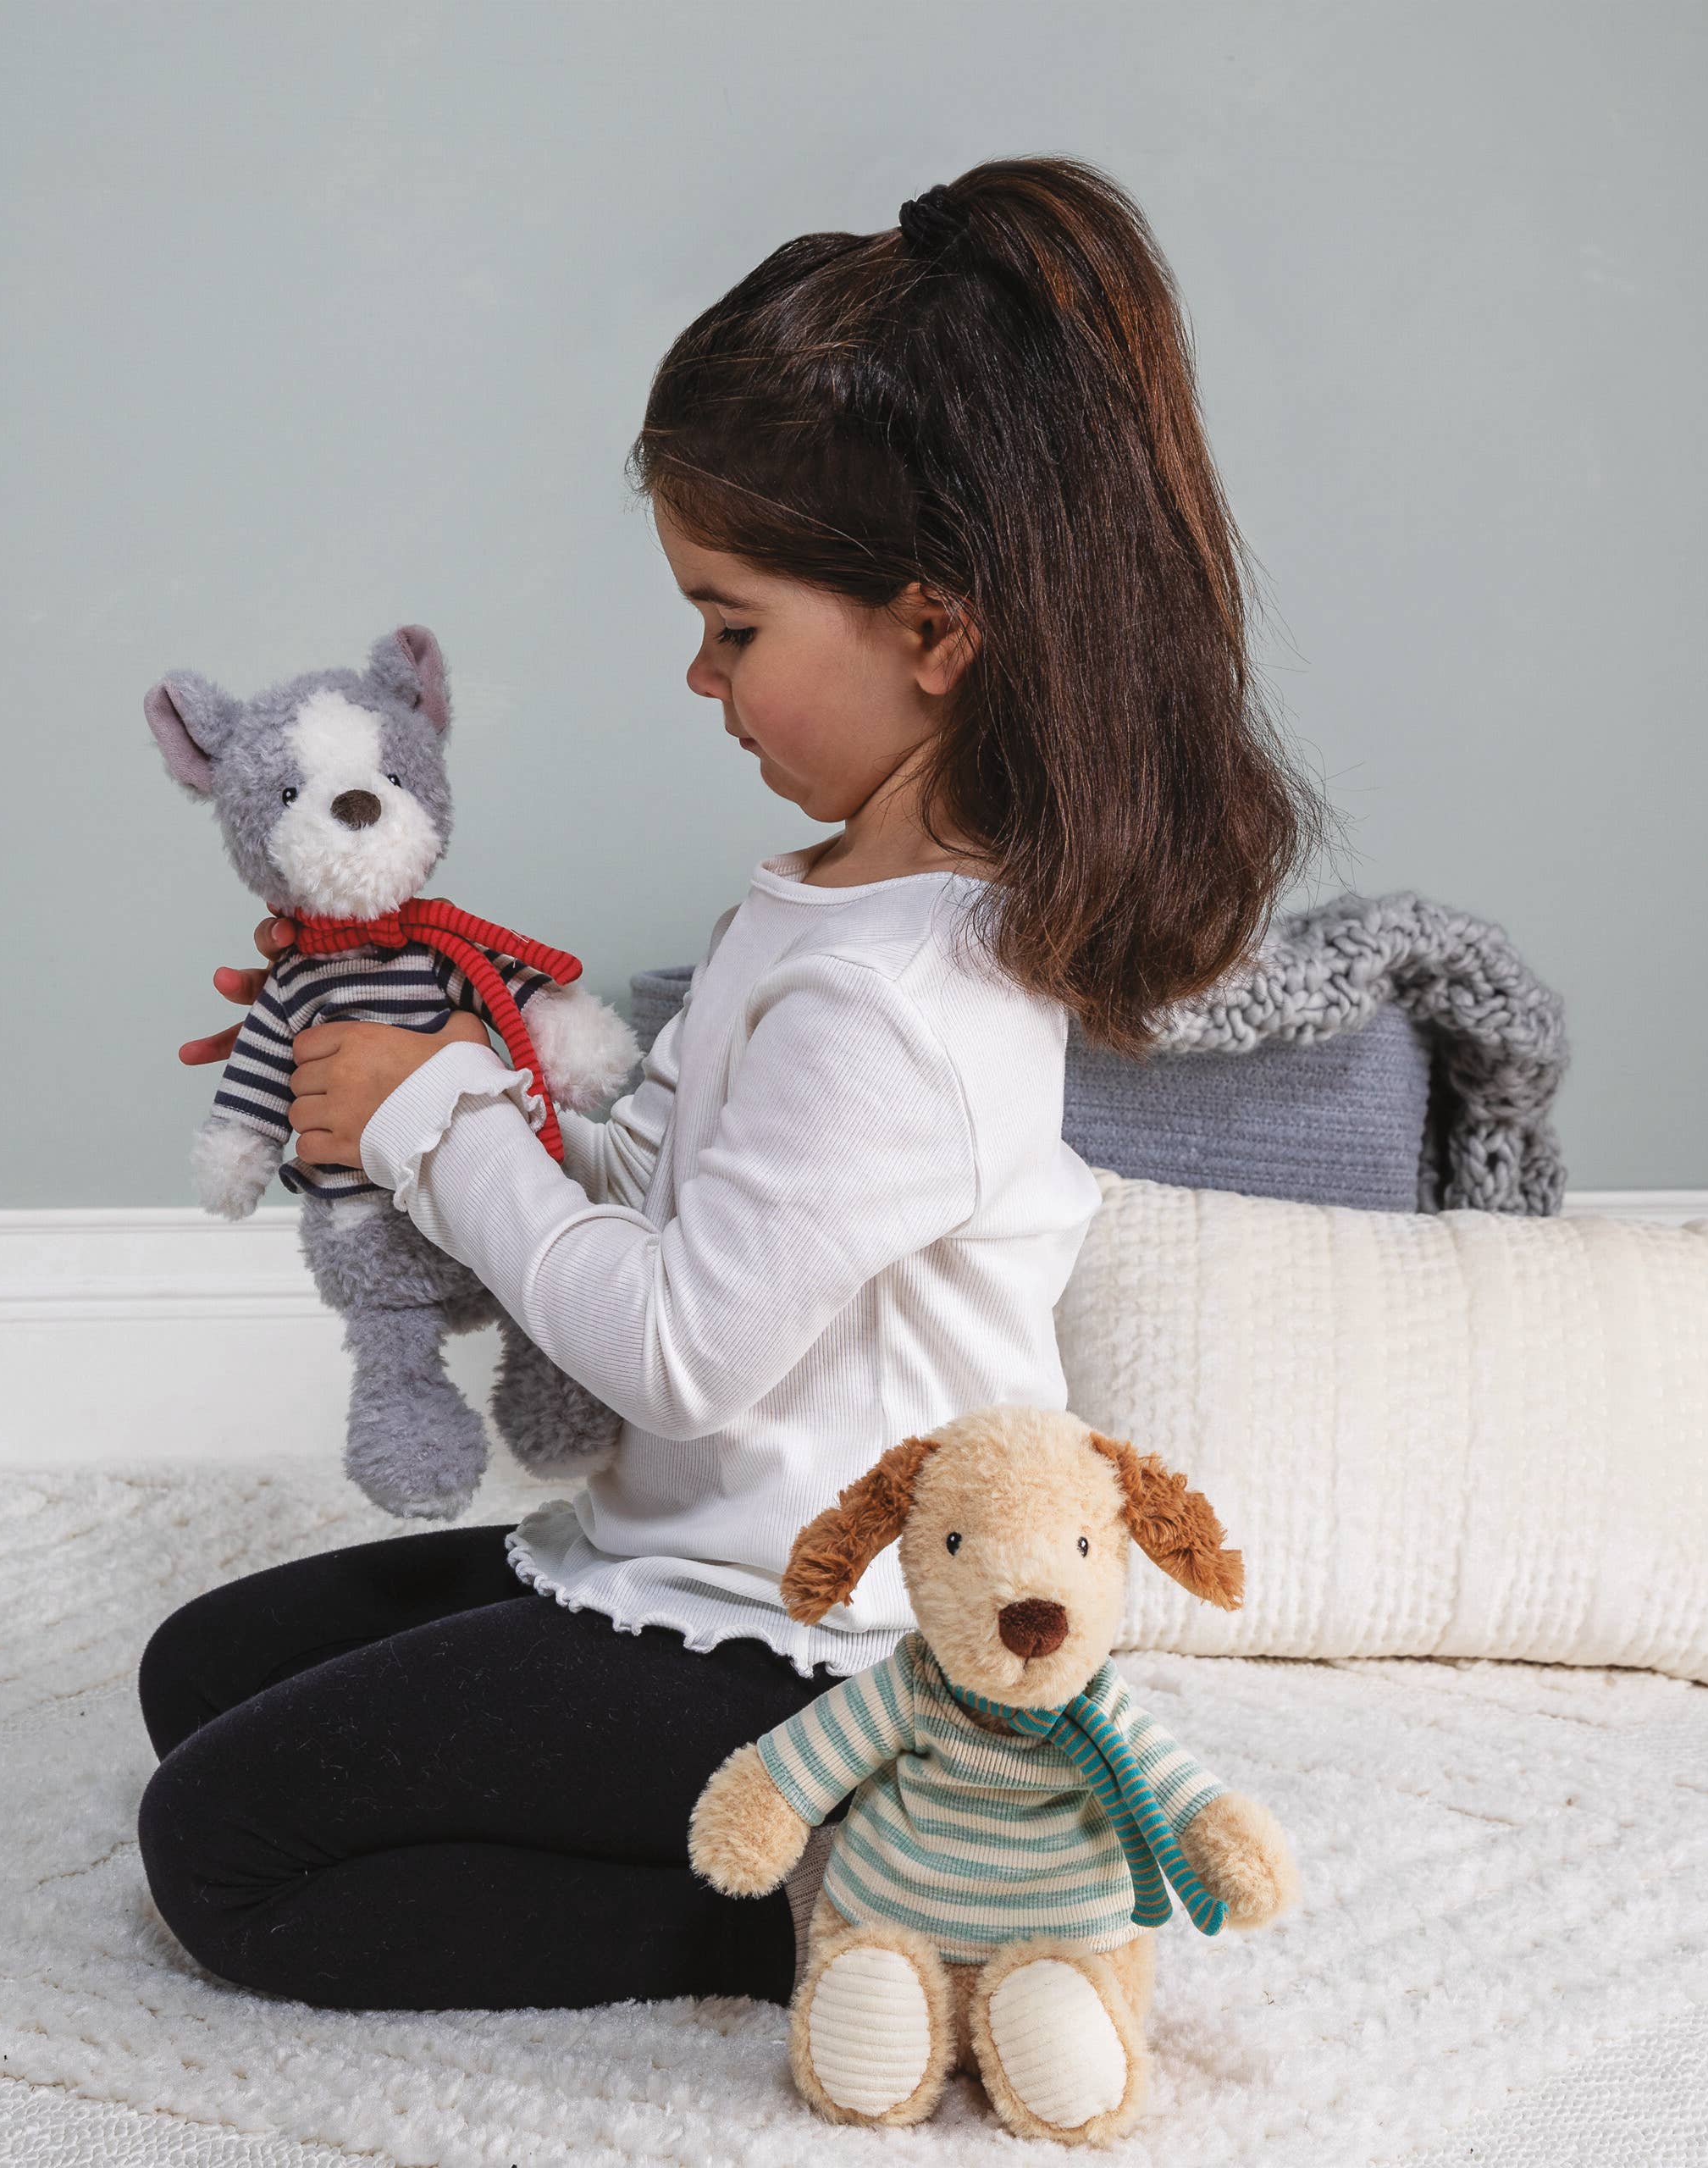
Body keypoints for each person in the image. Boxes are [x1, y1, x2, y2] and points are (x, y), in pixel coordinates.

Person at [135, 154, 1325, 2015]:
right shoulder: (832, 900)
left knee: (224, 1849)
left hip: (803, 1645)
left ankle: (852, 1905)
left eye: (733, 621)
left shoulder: (905, 1001)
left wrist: (438, 1118)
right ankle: (754, 1849)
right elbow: (672, 1177)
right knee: (202, 1670)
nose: (697, 671)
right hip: (668, 1560)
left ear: (935, 630)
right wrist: (482, 1079)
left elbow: (683, 1345)